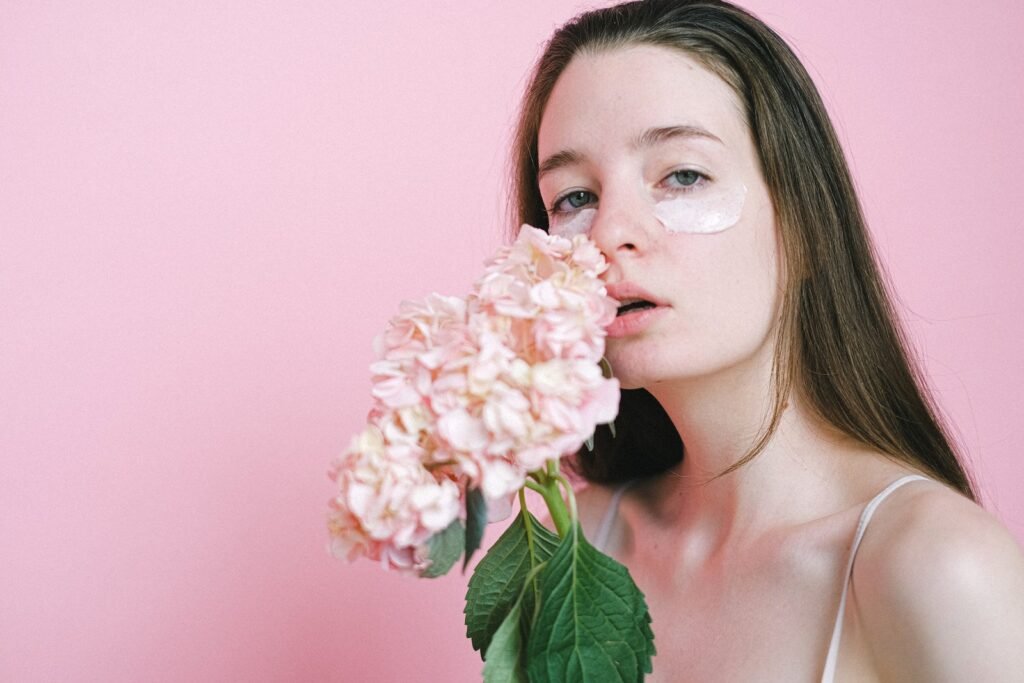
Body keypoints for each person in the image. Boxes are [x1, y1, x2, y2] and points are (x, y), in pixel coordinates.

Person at [509, 0, 1024, 680]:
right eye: (574, 197)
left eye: (682, 175)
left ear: (804, 224)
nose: (608, 234)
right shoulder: (571, 540)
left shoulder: (938, 568)